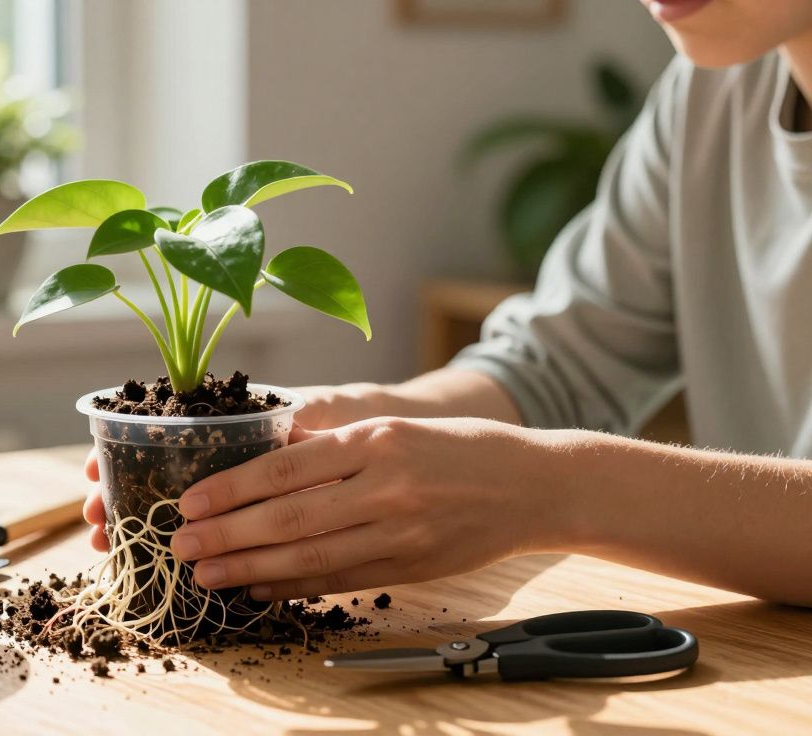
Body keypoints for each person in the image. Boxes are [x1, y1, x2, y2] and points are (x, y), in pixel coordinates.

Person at [81, 0, 812, 607]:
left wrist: (552, 490)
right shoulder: (712, 94)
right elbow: (555, 368)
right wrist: (360, 429)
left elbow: (547, 455)